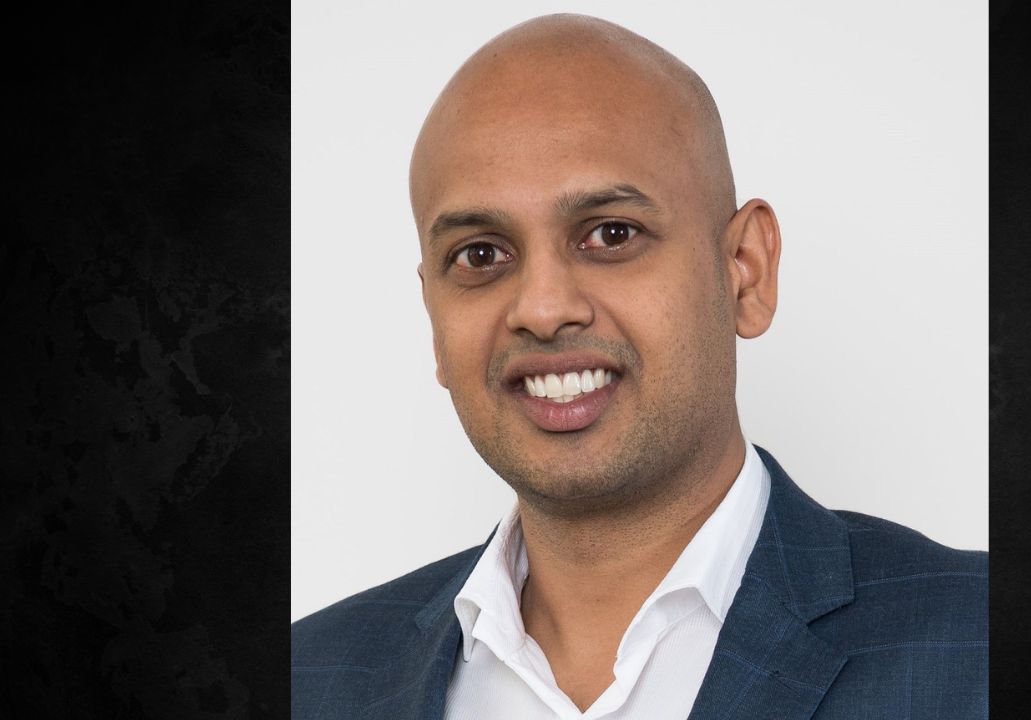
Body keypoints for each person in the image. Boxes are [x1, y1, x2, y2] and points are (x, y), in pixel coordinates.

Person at [291, 13, 987, 720]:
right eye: (481, 254)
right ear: (436, 323)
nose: (542, 309)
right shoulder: (307, 680)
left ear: (745, 270)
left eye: (611, 234)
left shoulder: (984, 645)